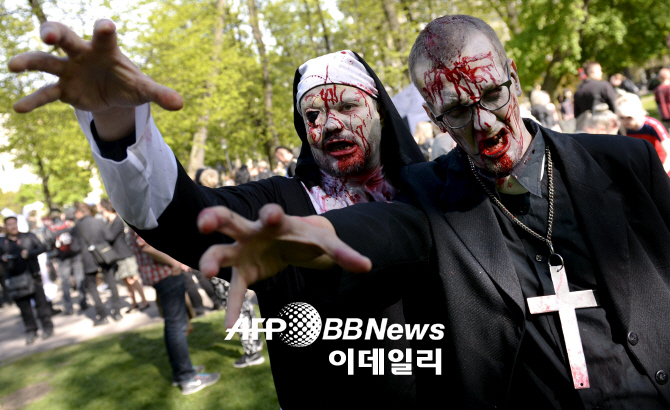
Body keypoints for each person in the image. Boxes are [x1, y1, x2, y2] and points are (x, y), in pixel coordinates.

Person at [195, 15, 670, 409]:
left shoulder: (625, 163)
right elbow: (381, 228)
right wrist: (307, 237)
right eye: (458, 110)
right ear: (431, 114)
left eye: (491, 94)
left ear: (515, 77)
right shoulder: (429, 193)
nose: (483, 123)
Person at [8, 21, 424, 409]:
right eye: (312, 115)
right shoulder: (281, 203)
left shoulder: (429, 191)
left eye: (348, 106)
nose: (330, 124)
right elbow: (183, 218)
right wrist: (116, 123)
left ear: (382, 112)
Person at [130, 230, 220, 394]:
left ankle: (181, 371)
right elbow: (148, 246)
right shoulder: (139, 210)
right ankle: (188, 377)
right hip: (166, 274)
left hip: (164, 274)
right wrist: (176, 263)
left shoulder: (136, 211)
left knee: (173, 325)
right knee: (177, 327)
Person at [0, 215, 53, 344]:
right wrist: (3, 258)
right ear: (6, 227)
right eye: (10, 224)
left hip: (33, 276)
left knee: (41, 305)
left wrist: (29, 253)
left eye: (14, 223)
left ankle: (47, 327)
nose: (13, 226)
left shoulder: (28, 236)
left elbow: (43, 247)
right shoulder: (2, 243)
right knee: (25, 309)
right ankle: (31, 330)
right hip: (15, 280)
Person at [71, 202, 122, 325]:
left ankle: (102, 315)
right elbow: (109, 236)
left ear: (79, 213)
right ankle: (117, 312)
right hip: (104, 256)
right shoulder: (98, 222)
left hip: (88, 261)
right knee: (111, 283)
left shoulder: (76, 228)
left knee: (93, 288)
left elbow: (75, 247)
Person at [100, 199, 148, 313]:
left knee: (133, 279)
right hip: (117, 256)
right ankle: (134, 302)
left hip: (125, 254)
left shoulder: (117, 221)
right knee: (126, 281)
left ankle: (144, 301)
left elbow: (110, 237)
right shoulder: (108, 223)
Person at [616, 92, 670, 174]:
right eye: (622, 118)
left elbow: (668, 152)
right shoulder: (623, 130)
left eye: (629, 118)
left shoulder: (653, 125)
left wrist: (661, 173)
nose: (625, 121)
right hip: (642, 170)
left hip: (661, 168)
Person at [44, 209, 83, 315]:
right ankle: (83, 302)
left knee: (65, 283)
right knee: (79, 278)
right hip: (75, 254)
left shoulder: (50, 229)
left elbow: (48, 245)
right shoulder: (69, 224)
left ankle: (69, 307)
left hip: (62, 257)